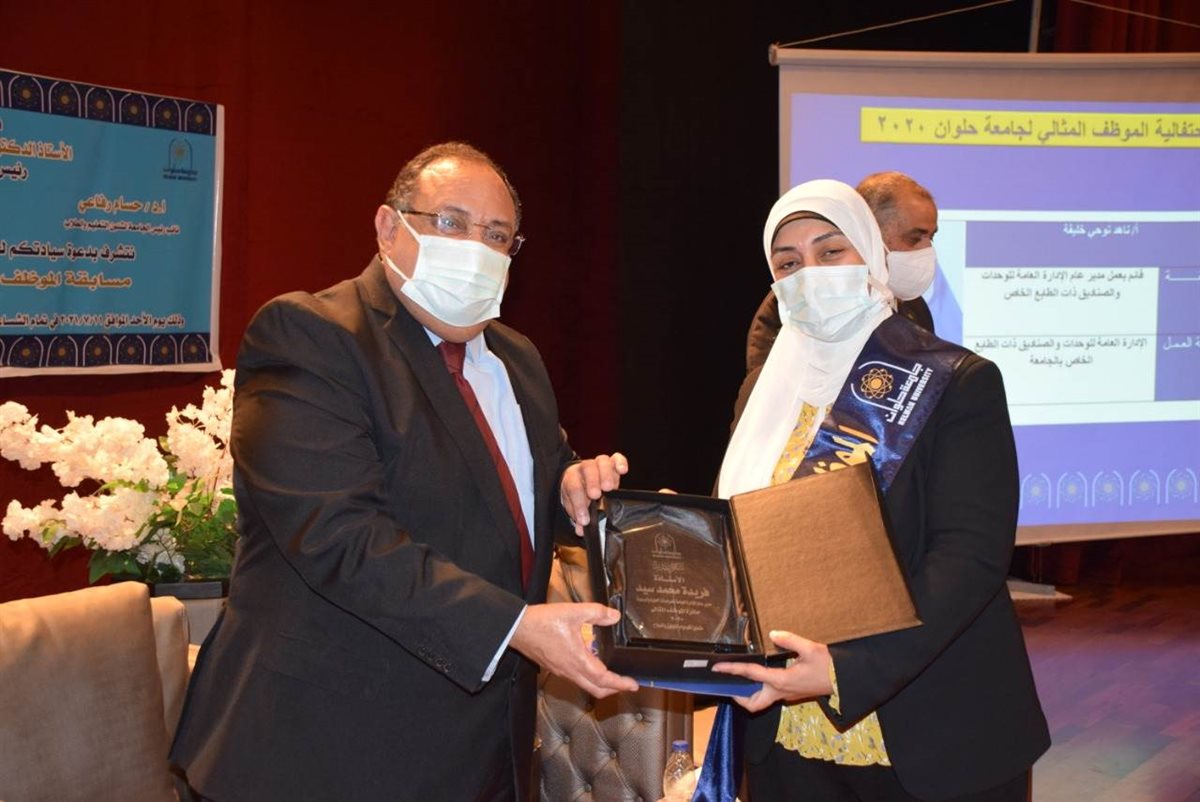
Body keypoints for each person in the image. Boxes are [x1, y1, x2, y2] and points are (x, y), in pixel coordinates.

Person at [170, 142, 638, 802]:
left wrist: (570, 487)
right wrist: (514, 627)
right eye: (450, 222)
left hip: (481, 750)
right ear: (389, 226)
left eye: (496, 235)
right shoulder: (311, 336)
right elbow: (340, 537)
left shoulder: (516, 358)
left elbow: (515, 484)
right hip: (325, 752)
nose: (475, 248)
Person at [709, 179, 1049, 801]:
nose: (811, 274)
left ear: (871, 254)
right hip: (782, 728)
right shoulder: (763, 391)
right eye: (788, 263)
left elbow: (968, 559)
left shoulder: (954, 380)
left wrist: (845, 670)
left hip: (933, 730)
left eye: (831, 251)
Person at [745, 171, 938, 374]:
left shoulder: (913, 308)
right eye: (914, 238)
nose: (927, 249)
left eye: (931, 237)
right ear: (870, 234)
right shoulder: (780, 318)